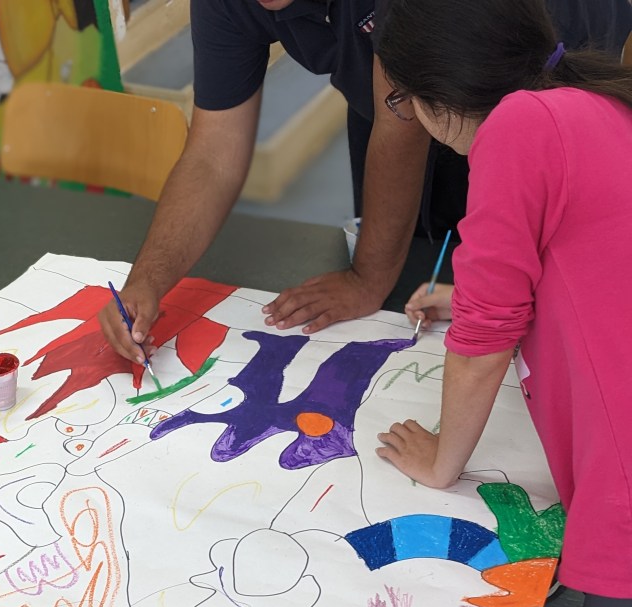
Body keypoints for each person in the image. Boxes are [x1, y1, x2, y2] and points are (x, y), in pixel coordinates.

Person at [375, 0, 632, 607]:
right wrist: (484, 291)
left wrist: (441, 457)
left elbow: (484, 343)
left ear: (437, 98)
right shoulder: (586, 102)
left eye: (402, 102)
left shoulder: (517, 127)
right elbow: (586, 247)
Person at [99, 0, 632, 355]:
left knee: (537, 274)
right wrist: (147, 279)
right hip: (397, 86)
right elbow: (213, 153)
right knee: (428, 264)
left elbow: (402, 130)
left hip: (518, 45)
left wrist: (368, 280)